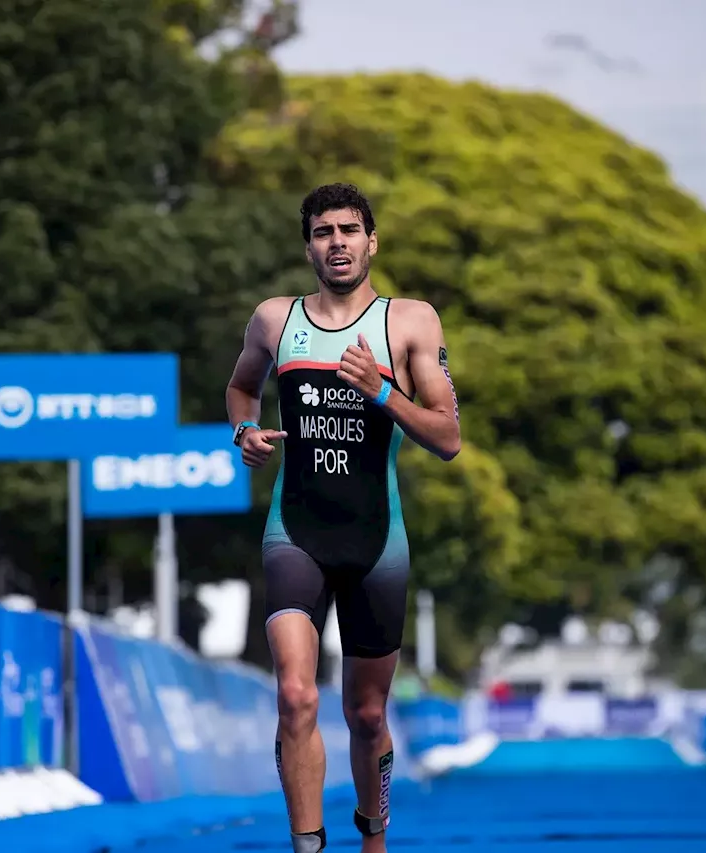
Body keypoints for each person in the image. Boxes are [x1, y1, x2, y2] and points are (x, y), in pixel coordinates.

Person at [225, 183, 462, 853]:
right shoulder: (275, 319)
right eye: (324, 231)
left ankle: (375, 834)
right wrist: (242, 430)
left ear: (371, 241)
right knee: (296, 695)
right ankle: (307, 846)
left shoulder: (410, 322)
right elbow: (242, 385)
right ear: (309, 246)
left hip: (375, 540)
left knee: (365, 713)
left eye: (349, 230)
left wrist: (382, 389)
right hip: (295, 531)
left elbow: (447, 438)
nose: (337, 241)